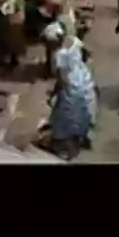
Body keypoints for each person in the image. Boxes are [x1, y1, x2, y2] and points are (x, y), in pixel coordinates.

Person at [42, 21, 97, 160]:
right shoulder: (73, 41)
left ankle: (68, 149)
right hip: (84, 80)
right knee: (83, 112)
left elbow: (62, 80)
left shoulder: (59, 55)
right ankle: (82, 137)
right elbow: (87, 53)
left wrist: (54, 94)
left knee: (63, 119)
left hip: (71, 87)